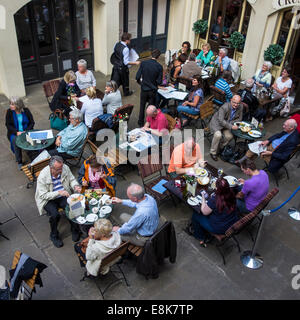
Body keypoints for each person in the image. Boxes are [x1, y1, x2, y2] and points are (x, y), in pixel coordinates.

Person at [35, 156, 82, 248]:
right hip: (48, 199)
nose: (61, 170)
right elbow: (43, 195)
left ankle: (75, 229)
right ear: (51, 168)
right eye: (58, 169)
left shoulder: (64, 168)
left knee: (73, 206)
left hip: (63, 195)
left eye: (61, 167)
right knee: (55, 215)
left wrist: (75, 186)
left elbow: (72, 179)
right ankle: (53, 235)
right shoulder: (43, 176)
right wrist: (58, 192)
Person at [192, 178, 239, 246]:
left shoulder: (215, 199)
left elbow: (204, 212)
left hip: (220, 228)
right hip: (232, 221)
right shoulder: (232, 193)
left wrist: (203, 198)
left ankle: (200, 236)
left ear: (217, 188)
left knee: (196, 215)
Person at [209, 95, 243, 161]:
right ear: (231, 100)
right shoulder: (224, 107)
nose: (236, 105)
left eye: (238, 103)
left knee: (229, 136)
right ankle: (213, 152)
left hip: (227, 124)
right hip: (217, 124)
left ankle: (219, 147)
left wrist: (230, 122)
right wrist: (231, 126)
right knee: (218, 135)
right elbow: (220, 120)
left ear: (240, 103)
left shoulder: (241, 107)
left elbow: (240, 119)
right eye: (234, 102)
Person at [5, 97, 35, 170]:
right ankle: (19, 161)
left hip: (26, 131)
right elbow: (8, 125)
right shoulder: (9, 112)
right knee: (15, 141)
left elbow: (32, 122)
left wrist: (26, 131)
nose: (10, 106)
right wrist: (16, 132)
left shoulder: (26, 111)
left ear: (18, 105)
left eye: (12, 104)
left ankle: (33, 158)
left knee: (31, 141)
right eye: (10, 104)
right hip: (15, 132)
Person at [136, 49, 163, 127]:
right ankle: (149, 123)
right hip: (152, 90)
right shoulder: (159, 67)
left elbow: (137, 76)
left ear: (151, 55)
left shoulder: (143, 63)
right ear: (158, 57)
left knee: (142, 106)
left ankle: (140, 122)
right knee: (151, 108)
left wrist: (141, 83)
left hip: (144, 89)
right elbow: (159, 82)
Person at [110, 32, 140, 96]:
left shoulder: (117, 44)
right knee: (125, 80)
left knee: (115, 80)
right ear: (127, 40)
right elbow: (126, 62)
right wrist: (135, 62)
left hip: (116, 66)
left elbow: (115, 54)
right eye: (129, 39)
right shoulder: (125, 49)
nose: (130, 41)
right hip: (122, 68)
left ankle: (110, 92)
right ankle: (126, 93)